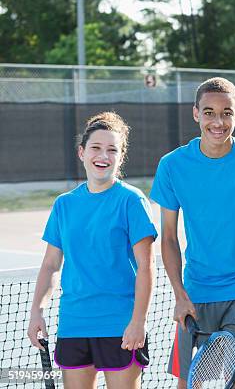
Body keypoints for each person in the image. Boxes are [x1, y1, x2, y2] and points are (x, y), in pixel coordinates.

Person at [150, 77, 235, 389]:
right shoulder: (172, 165)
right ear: (196, 114)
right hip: (196, 291)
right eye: (209, 112)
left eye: (226, 113)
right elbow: (168, 237)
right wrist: (180, 295)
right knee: (188, 382)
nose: (218, 122)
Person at [27, 112, 157, 389]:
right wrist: (37, 311)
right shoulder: (64, 204)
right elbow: (51, 264)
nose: (104, 156)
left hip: (120, 325)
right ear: (82, 152)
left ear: (120, 157)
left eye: (113, 150)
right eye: (96, 148)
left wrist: (138, 321)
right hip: (74, 324)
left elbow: (146, 267)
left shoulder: (131, 201)